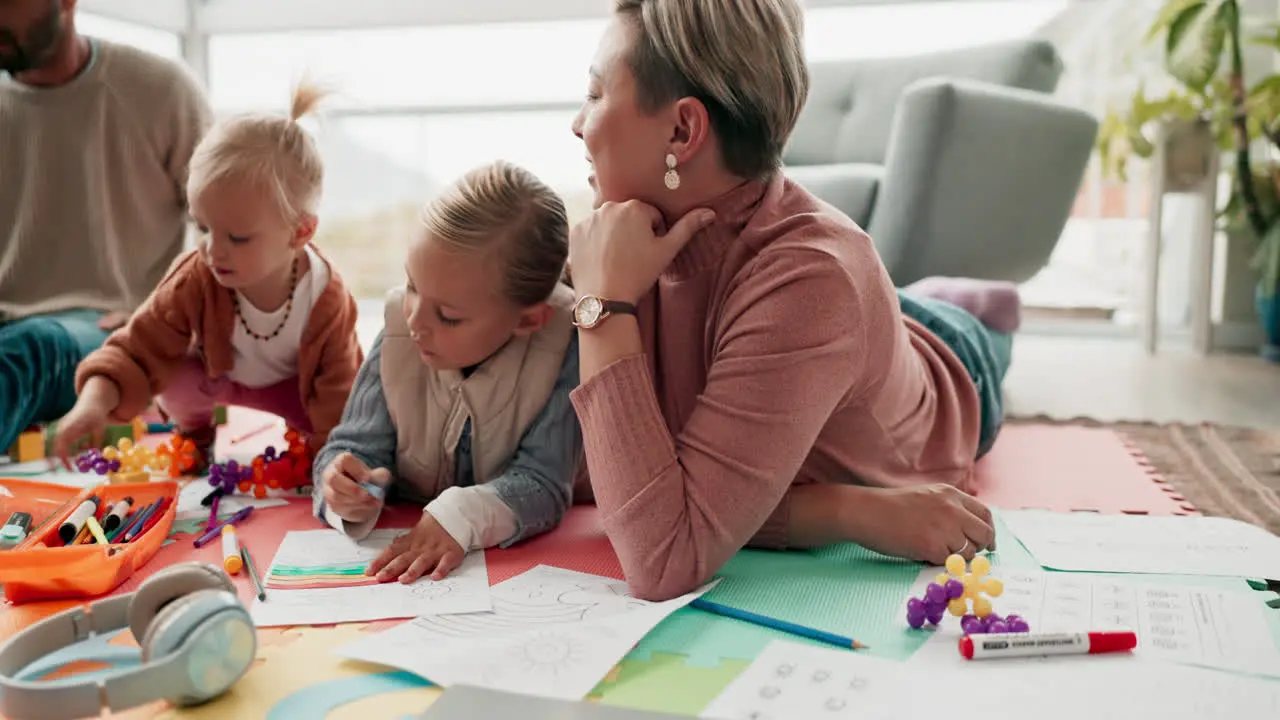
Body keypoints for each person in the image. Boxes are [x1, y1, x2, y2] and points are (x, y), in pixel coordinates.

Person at [566, 0, 1022, 600]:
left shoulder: (812, 281)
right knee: (875, 308)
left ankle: (974, 306)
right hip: (836, 335)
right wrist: (841, 512)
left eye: (596, 94)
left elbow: (663, 555)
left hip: (947, 375)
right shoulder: (621, 237)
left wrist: (601, 308)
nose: (578, 123)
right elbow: (603, 479)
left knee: (967, 329)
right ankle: (912, 300)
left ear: (682, 130)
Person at [51, 82, 364, 472]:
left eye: (237, 237)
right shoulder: (197, 275)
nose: (213, 250)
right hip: (218, 381)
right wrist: (92, 405)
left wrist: (332, 462)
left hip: (295, 392)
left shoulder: (326, 297)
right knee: (175, 376)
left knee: (335, 429)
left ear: (300, 232)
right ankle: (196, 438)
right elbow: (136, 348)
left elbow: (339, 388)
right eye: (202, 228)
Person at [314, 160, 582, 585]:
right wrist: (343, 488)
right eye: (413, 286)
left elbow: (544, 486)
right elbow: (354, 447)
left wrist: (460, 516)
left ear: (529, 320)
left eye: (450, 317)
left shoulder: (566, 348)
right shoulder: (404, 331)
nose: (416, 320)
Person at [0, 0, 212, 453]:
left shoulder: (160, 90)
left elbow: (229, 228)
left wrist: (178, 318)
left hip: (113, 328)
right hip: (10, 328)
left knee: (32, 348)